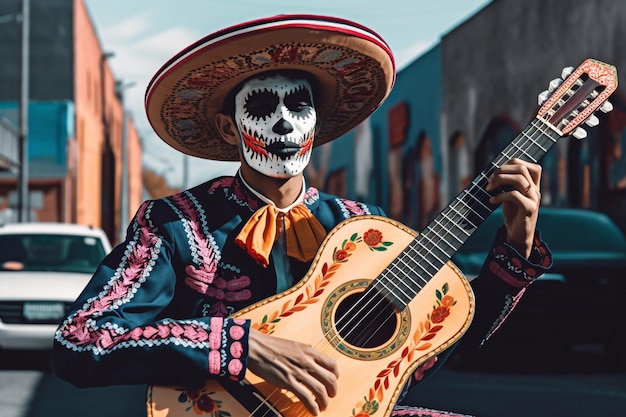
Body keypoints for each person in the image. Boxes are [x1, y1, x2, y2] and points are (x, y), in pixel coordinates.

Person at [51, 14, 552, 417]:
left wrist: (517, 243)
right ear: (230, 129)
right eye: (264, 105)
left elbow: (442, 337)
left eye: (299, 105)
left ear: (318, 123)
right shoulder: (176, 223)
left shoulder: (364, 227)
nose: (284, 122)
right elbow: (79, 341)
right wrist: (237, 348)